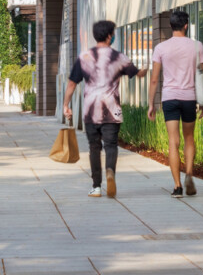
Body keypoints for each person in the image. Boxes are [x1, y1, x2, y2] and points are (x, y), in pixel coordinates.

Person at [63, 20, 149, 198]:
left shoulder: (85, 57)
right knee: (111, 145)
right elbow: (136, 73)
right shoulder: (119, 57)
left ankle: (96, 187)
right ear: (110, 36)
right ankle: (110, 171)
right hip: (112, 109)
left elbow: (72, 83)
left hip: (90, 110)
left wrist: (66, 104)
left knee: (94, 147)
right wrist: (145, 70)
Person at [148, 9, 203, 197]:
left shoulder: (161, 48)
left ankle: (177, 186)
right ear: (185, 25)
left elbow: (154, 79)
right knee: (189, 138)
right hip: (189, 98)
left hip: (170, 98)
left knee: (173, 142)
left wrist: (151, 104)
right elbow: (201, 74)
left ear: (170, 25)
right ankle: (189, 173)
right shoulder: (196, 46)